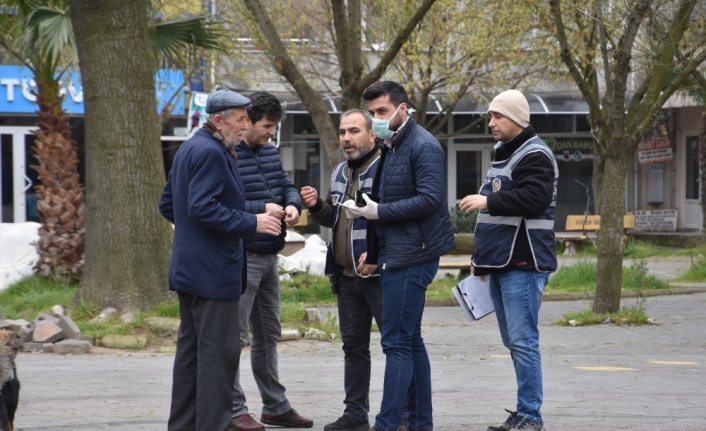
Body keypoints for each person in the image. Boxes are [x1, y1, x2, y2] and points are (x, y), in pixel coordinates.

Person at [159, 89, 283, 431]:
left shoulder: (190, 147)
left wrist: (255, 210)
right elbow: (202, 207)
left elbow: (171, 205)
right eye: (241, 118)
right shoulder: (213, 152)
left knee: (191, 358)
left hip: (191, 269)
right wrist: (252, 222)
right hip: (214, 272)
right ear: (219, 120)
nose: (246, 125)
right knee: (218, 359)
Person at [345, 81, 456, 431]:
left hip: (415, 254)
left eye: (382, 111)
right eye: (373, 113)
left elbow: (430, 200)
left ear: (402, 109)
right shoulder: (391, 144)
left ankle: (387, 424)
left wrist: (378, 213)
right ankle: (421, 424)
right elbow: (379, 199)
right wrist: (374, 246)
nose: (377, 119)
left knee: (395, 342)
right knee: (410, 340)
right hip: (398, 251)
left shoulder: (424, 146)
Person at [459, 89, 558, 431]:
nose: (491, 123)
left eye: (497, 116)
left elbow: (535, 198)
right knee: (514, 342)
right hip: (500, 263)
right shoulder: (506, 155)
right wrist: (480, 261)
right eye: (490, 116)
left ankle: (531, 416)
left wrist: (487, 202)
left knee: (523, 341)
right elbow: (496, 222)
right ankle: (523, 412)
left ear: (516, 118)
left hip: (524, 263)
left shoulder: (535, 154)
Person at [230, 91, 313, 431]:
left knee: (269, 335)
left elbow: (283, 185)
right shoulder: (227, 154)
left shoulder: (269, 152)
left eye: (274, 127)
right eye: (267, 126)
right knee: (235, 338)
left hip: (269, 255)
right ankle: (234, 409)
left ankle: (275, 407)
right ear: (246, 120)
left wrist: (294, 204)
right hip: (241, 256)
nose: (270, 133)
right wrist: (261, 209)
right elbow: (223, 204)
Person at [300, 109, 383, 431]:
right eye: (343, 132)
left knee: (397, 345)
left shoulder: (385, 169)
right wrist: (316, 206)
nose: (346, 138)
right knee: (354, 348)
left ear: (372, 134)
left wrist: (380, 256)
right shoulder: (338, 172)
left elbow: (392, 221)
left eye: (354, 131)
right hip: (346, 277)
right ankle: (355, 414)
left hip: (379, 275)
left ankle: (406, 415)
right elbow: (335, 218)